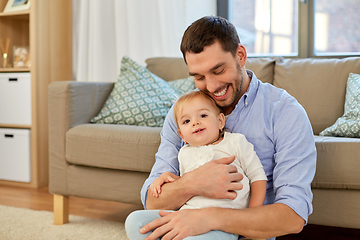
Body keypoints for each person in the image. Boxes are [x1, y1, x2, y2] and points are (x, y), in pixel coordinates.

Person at [139, 16, 317, 240]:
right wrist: (194, 183)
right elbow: (151, 200)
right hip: (187, 228)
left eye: (218, 70)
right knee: (140, 227)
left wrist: (209, 217)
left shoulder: (285, 113)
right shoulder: (184, 115)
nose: (212, 86)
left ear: (240, 56)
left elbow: (293, 217)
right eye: (199, 77)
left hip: (244, 234)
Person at [125, 91, 267, 240]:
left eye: (203, 115)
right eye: (186, 121)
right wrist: (168, 177)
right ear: (182, 136)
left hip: (223, 223)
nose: (195, 122)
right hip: (186, 215)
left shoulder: (235, 142)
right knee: (135, 221)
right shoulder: (184, 153)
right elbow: (188, 184)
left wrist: (251, 217)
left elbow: (257, 175)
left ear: (220, 121)